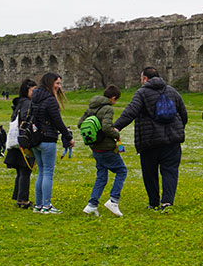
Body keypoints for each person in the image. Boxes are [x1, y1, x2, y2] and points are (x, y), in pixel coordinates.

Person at [113, 66, 187, 213]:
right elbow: (183, 113)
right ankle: (167, 203)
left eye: (141, 78)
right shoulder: (172, 91)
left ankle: (154, 202)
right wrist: (179, 129)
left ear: (145, 79)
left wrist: (116, 127)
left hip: (150, 141)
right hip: (172, 141)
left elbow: (131, 111)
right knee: (170, 172)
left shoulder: (142, 93)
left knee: (150, 173)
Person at [30, 72, 75, 214]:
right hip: (48, 139)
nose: (59, 87)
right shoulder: (50, 100)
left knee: (41, 172)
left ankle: (38, 205)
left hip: (36, 139)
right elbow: (57, 121)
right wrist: (68, 137)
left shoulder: (35, 98)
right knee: (48, 172)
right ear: (50, 83)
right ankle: (47, 206)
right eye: (57, 83)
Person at [79, 85, 127, 217]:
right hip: (106, 147)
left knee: (101, 176)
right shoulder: (108, 109)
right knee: (122, 171)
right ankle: (113, 200)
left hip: (95, 148)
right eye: (116, 100)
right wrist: (116, 134)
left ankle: (92, 205)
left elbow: (80, 124)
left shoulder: (91, 107)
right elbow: (106, 128)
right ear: (113, 98)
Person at [5, 78, 36, 209]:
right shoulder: (27, 103)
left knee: (20, 171)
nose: (35, 93)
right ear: (26, 90)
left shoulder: (19, 103)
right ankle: (23, 200)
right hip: (23, 141)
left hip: (15, 140)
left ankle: (19, 197)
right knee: (25, 171)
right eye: (33, 90)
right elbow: (25, 118)